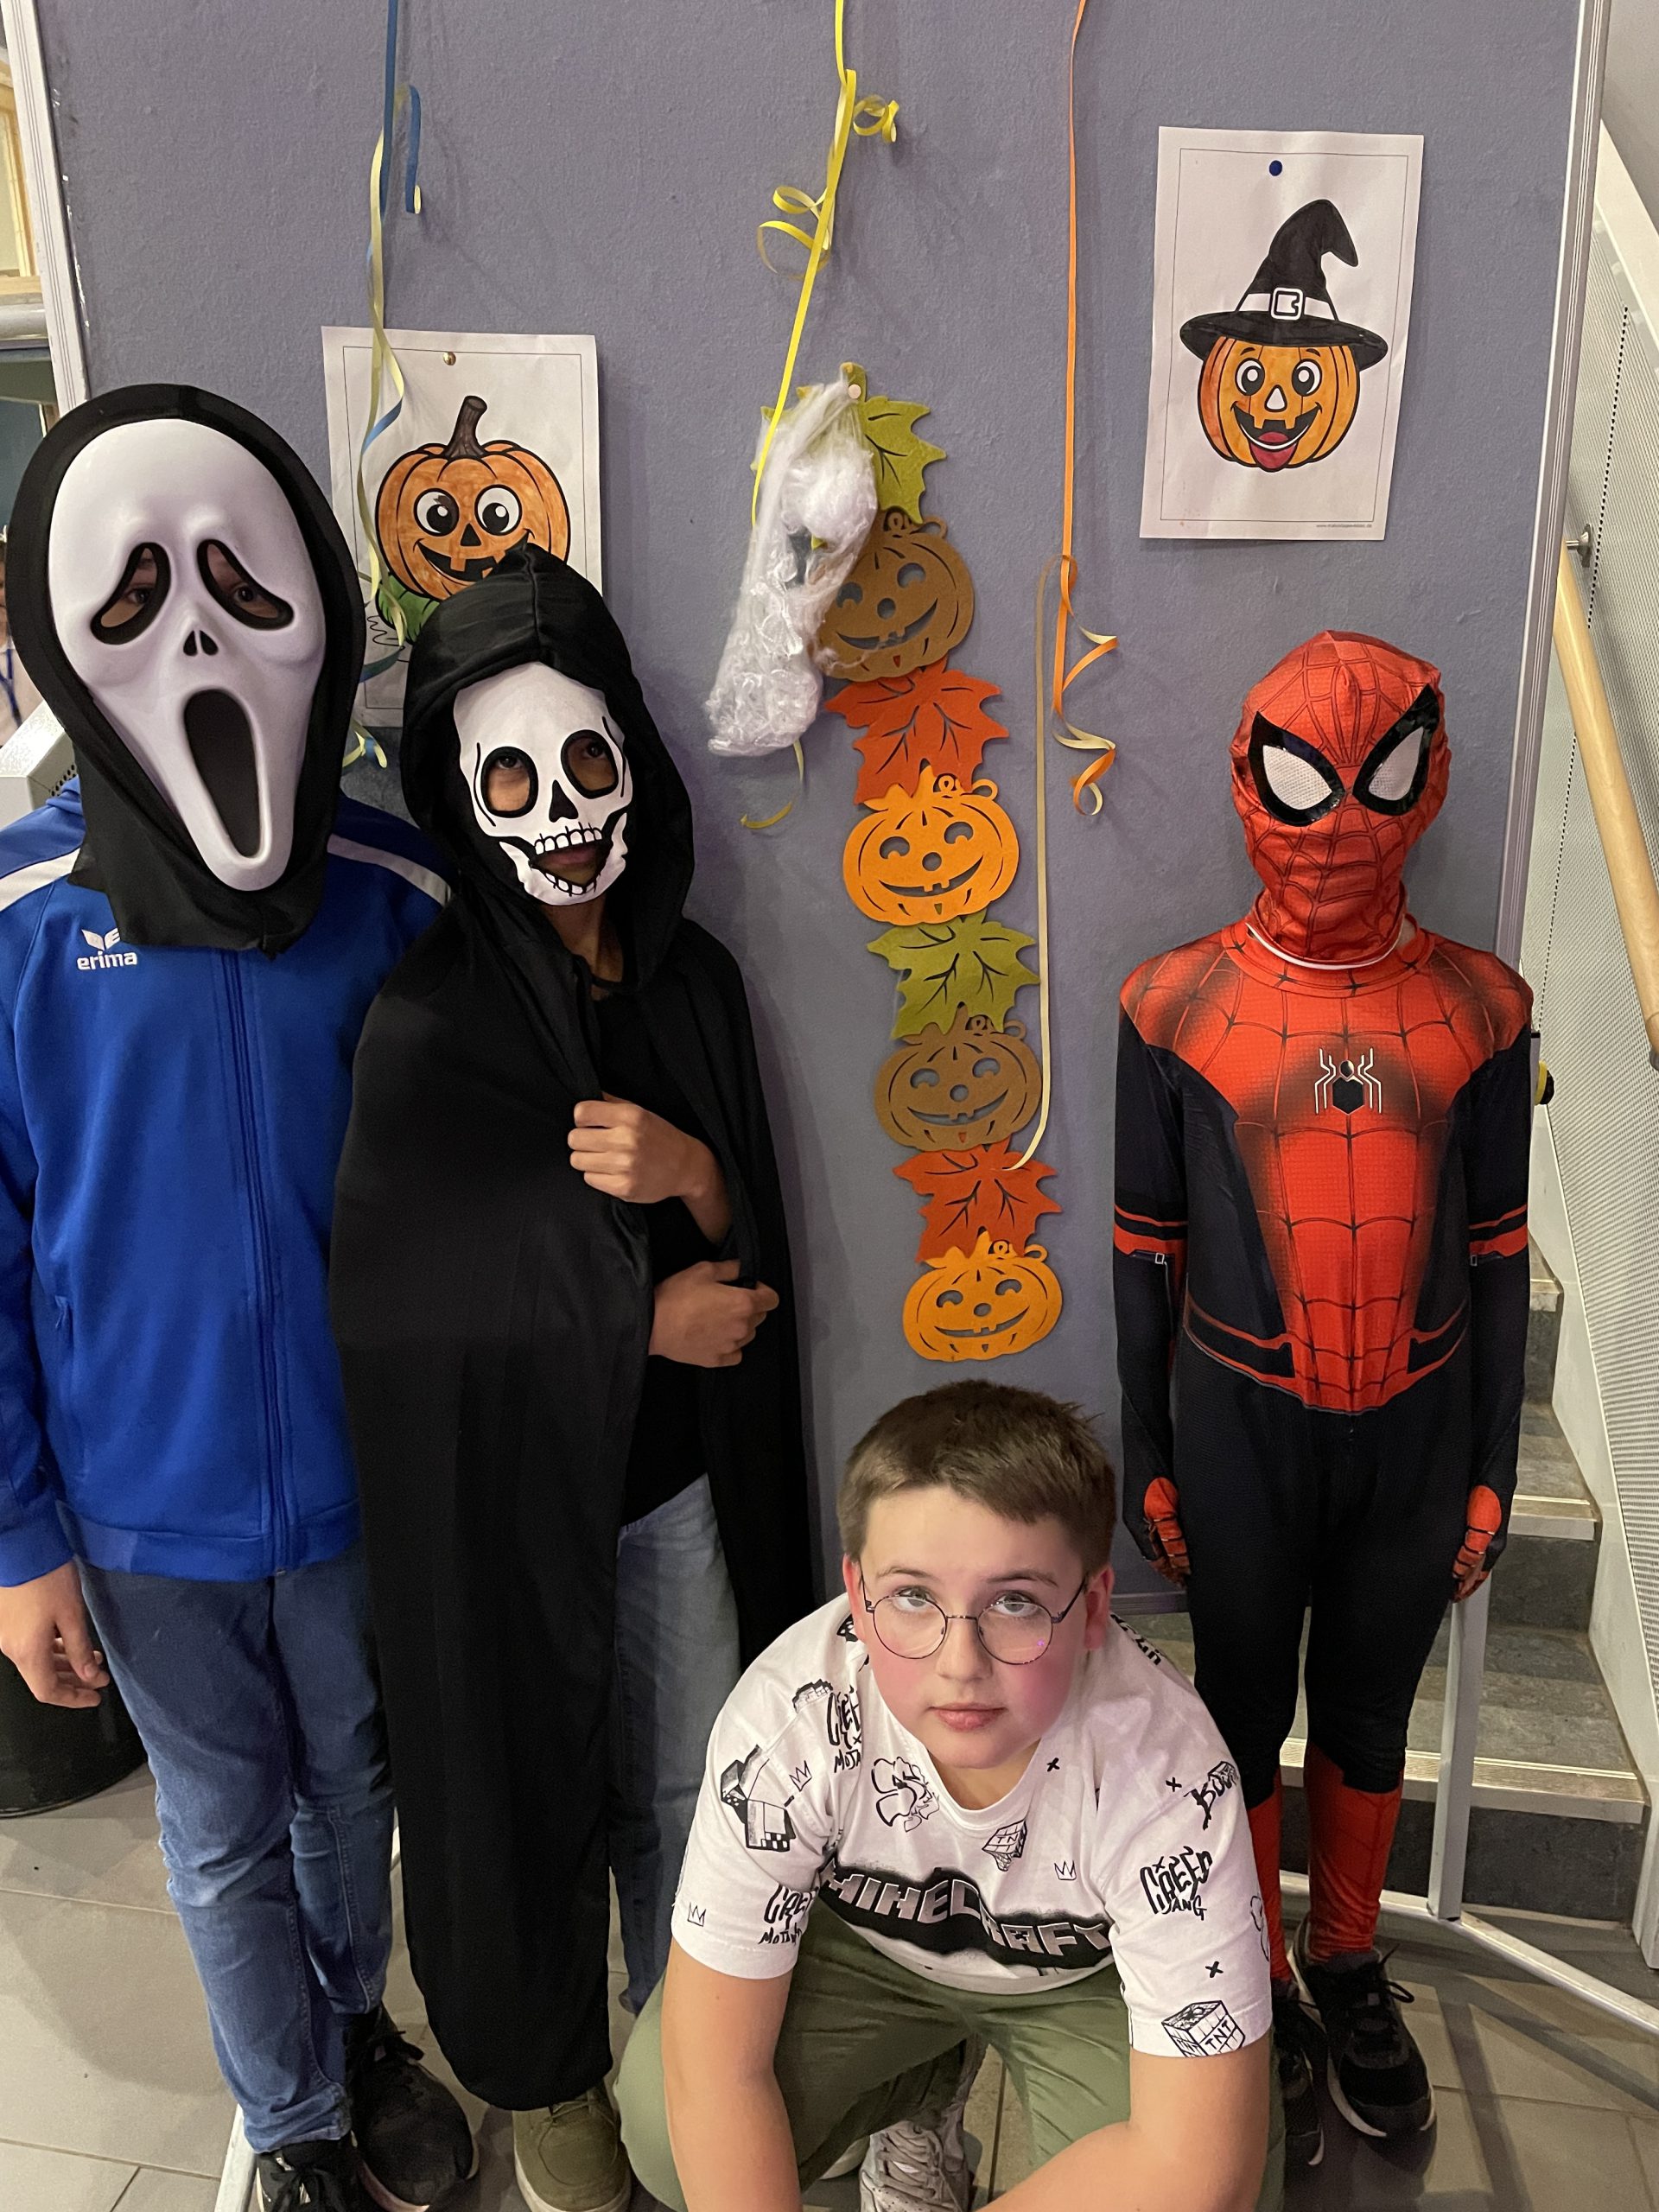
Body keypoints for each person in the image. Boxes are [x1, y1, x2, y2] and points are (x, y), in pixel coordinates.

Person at [0, 385, 474, 2212]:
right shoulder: (22, 921)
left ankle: (355, 2033)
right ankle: (288, 2122)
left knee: (351, 1787)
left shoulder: (391, 889)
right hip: (142, 1501)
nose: (191, 637)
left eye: (232, 585)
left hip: (358, 1481)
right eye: (134, 597)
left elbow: (472, 1188)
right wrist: (21, 1537)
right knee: (220, 1824)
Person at [328, 543, 813, 2212]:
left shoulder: (696, 986)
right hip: (509, 1512)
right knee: (523, 1790)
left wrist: (695, 1174)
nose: (558, 812)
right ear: (465, 801)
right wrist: (632, 1319)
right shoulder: (430, 1022)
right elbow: (400, 1312)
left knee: (689, 1789)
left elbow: (750, 1245)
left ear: (634, 763)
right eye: (514, 781)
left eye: (584, 763)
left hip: (673, 1489)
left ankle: (685, 2066)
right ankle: (554, 2088)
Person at [1113, 631, 1533, 2163]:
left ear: (1429, 778)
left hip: (1419, 1429)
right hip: (1241, 1429)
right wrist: (1147, 1449)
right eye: (1309, 783)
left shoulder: (1487, 1007)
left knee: (1369, 1708)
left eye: (1381, 778)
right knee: (1240, 1711)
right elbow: (1142, 1246)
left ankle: (1347, 1958)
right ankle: (1258, 1971)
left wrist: (1494, 1465)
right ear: (1253, 781)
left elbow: (1500, 1251)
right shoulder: (1169, 1004)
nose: (1344, 821)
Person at [615, 1378, 1281, 2212]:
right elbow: (713, 2071)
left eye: (1015, 1603)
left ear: (1092, 1610)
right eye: (912, 1597)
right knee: (665, 2126)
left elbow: (1193, 2168)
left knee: (1224, 2181)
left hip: (1084, 1982)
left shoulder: (1166, 1775)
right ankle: (919, 2085)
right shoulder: (787, 1722)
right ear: (857, 1599)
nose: (960, 1663)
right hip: (869, 1955)